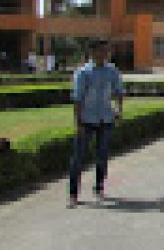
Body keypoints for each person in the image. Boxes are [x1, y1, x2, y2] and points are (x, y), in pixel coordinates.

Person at [68, 39, 124, 208]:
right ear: (92, 53)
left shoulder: (112, 71)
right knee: (78, 158)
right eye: (100, 51)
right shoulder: (83, 73)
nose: (104, 54)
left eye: (106, 51)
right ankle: (73, 194)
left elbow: (118, 91)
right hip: (87, 120)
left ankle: (99, 186)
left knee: (102, 155)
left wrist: (119, 109)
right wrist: (78, 123)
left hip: (106, 118)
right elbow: (77, 99)